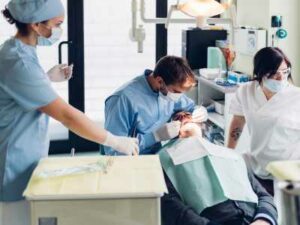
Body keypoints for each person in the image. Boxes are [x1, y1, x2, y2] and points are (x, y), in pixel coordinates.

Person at [0, 0, 138, 224]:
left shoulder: (19, 51)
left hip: (27, 156)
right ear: (36, 25)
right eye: (57, 24)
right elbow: (66, 116)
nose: (59, 30)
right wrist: (115, 141)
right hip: (13, 162)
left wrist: (46, 78)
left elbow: (18, 92)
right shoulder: (18, 61)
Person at [227, 47, 300, 195]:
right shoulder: (246, 91)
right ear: (261, 73)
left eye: (285, 72)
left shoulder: (296, 97)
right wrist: (228, 152)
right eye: (274, 74)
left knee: (285, 214)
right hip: (257, 164)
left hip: (288, 169)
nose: (281, 78)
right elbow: (238, 122)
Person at [103, 55, 208, 155]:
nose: (178, 96)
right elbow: (113, 151)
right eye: (176, 92)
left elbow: (189, 106)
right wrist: (154, 137)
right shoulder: (122, 100)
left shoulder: (168, 92)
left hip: (158, 155)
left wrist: (199, 110)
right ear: (160, 81)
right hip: (131, 160)